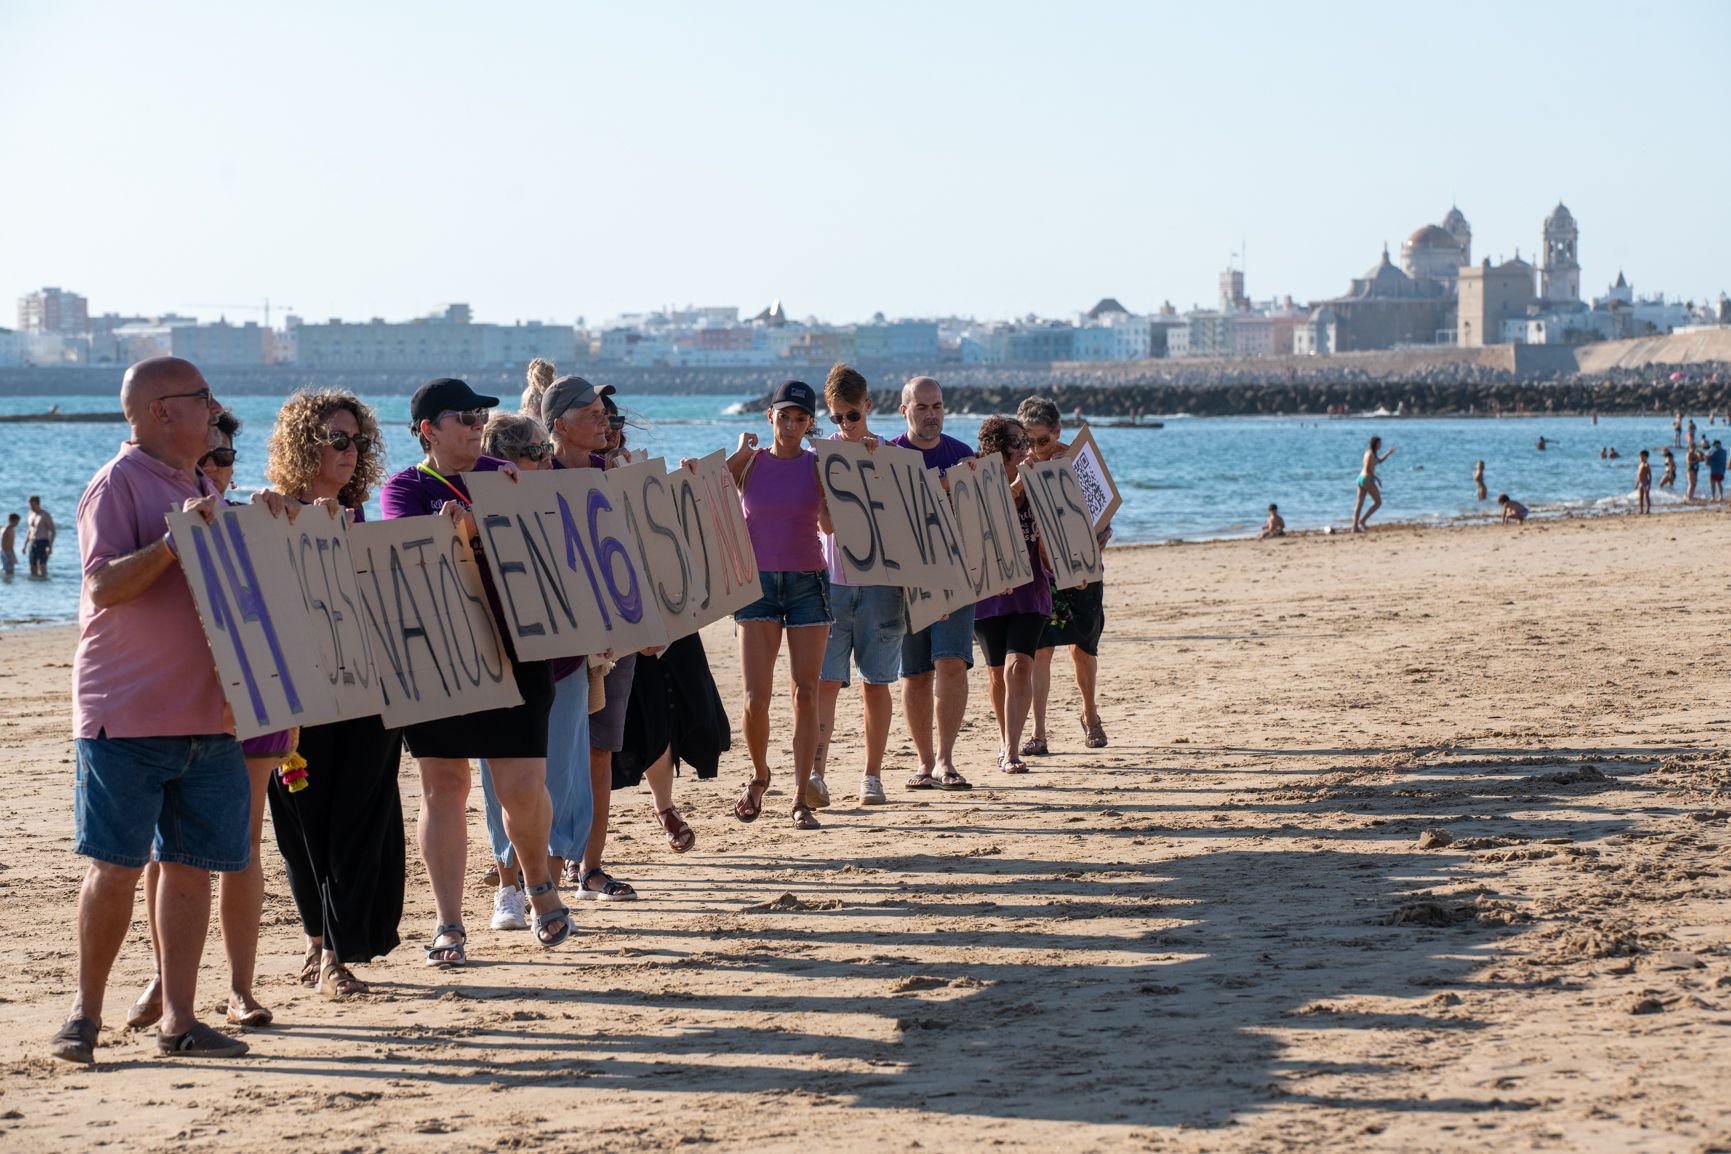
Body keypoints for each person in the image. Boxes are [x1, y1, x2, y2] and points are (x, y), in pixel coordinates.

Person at [53, 356, 251, 1063]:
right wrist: (171, 543)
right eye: (203, 397)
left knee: (191, 868)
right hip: (127, 712)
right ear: (161, 411)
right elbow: (102, 585)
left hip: (209, 716)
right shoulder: (117, 482)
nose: (216, 408)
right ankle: (84, 1017)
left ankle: (179, 1020)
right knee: (116, 867)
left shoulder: (199, 482)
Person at [381, 378, 570, 964]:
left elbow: (554, 539)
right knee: (443, 787)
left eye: (480, 415)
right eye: (463, 417)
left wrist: (505, 507)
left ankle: (537, 884)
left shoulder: (507, 476)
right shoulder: (404, 487)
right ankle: (448, 923)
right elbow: (401, 553)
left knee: (522, 788)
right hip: (437, 655)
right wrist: (451, 531)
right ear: (428, 430)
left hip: (516, 646)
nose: (476, 424)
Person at [127, 411, 296, 1031]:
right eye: (204, 458)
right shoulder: (161, 522)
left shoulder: (255, 517)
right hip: (178, 698)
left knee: (242, 845)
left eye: (224, 457)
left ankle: (239, 988)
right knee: (166, 848)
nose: (215, 468)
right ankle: (164, 978)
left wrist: (284, 517)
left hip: (251, 696)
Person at [255, 390, 406, 999]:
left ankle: (339, 954)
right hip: (297, 696)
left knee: (359, 821)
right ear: (303, 445)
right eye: (337, 440)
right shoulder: (267, 512)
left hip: (368, 692)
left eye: (358, 442)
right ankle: (316, 941)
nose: (351, 452)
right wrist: (279, 520)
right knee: (302, 825)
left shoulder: (360, 516)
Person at [474, 402, 594, 925]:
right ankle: (507, 887)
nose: (547, 459)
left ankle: (546, 888)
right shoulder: (477, 511)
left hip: (563, 659)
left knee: (560, 778)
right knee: (499, 781)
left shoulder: (564, 499)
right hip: (497, 663)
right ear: (503, 460)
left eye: (547, 450)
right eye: (536, 452)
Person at [543, 375, 639, 900]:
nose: (607, 422)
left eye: (606, 414)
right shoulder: (533, 478)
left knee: (599, 750)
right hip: (557, 640)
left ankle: (591, 867)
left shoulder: (613, 475)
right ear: (560, 425)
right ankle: (540, 872)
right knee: (552, 756)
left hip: (612, 636)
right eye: (594, 415)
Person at [730, 379, 833, 830]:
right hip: (757, 585)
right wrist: (737, 452)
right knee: (755, 698)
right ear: (770, 416)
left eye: (800, 419)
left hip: (809, 583)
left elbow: (833, 526)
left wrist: (856, 466)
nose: (790, 426)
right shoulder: (750, 463)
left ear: (810, 424)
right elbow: (704, 493)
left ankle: (799, 797)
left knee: (805, 693)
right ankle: (759, 775)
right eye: (784, 416)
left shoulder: (819, 465)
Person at [813, 364, 904, 806]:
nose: (846, 424)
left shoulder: (890, 453)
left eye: (852, 415)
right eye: (837, 417)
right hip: (833, 582)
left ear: (868, 406)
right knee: (825, 683)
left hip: (882, 584)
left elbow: (905, 522)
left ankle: (872, 776)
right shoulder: (821, 455)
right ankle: (816, 773)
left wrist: (876, 468)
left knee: (876, 682)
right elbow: (827, 525)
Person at [892, 377, 978, 788]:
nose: (931, 415)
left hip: (955, 576)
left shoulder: (962, 455)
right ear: (904, 410)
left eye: (937, 406)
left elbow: (981, 524)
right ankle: (924, 762)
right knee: (916, 673)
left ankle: (946, 760)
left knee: (952, 663)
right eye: (922, 407)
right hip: (905, 581)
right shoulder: (889, 455)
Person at [1017, 395, 1109, 755]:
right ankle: (1038, 732)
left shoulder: (1078, 460)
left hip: (1081, 566)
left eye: (1043, 440)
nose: (1036, 448)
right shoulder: (1019, 465)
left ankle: (1090, 715)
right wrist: (1021, 477)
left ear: (1057, 431)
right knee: (1040, 650)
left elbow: (1103, 514)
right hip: (1040, 570)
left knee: (1082, 649)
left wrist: (1099, 540)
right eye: (1027, 440)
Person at [972, 416, 1052, 775]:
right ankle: (1005, 737)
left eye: (1026, 442)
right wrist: (1018, 485)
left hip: (1031, 591)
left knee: (1019, 666)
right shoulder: (979, 485)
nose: (1025, 449)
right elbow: (981, 525)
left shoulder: (1040, 483)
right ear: (997, 450)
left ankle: (1011, 749)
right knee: (996, 674)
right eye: (1017, 443)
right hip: (989, 594)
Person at [1352, 436, 1395, 532]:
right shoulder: (1370, 454)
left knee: (1359, 504)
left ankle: (1355, 527)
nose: (1381, 445)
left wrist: (1388, 453)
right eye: (1379, 443)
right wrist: (1376, 478)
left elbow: (1379, 461)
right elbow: (1367, 469)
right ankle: (1362, 521)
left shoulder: (1370, 453)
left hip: (1360, 479)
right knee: (1378, 502)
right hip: (1366, 479)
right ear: (1375, 444)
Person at [26, 493, 56, 578]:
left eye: (32, 504)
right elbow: (30, 530)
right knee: (32, 565)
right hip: (33, 542)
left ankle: (44, 582)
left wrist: (50, 546)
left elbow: (53, 531)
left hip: (43, 542)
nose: (31, 506)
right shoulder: (30, 514)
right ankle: (35, 584)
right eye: (29, 504)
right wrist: (25, 544)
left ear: (37, 503)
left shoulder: (45, 515)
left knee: (42, 564)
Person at [1636, 450, 1652, 515]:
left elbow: (1649, 475)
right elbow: (1638, 475)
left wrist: (1649, 484)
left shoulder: (1646, 465)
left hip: (1645, 483)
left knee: (1647, 496)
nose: (1640, 458)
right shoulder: (1640, 464)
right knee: (1640, 497)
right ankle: (1641, 510)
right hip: (1640, 483)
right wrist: (1637, 483)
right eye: (1640, 457)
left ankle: (1648, 510)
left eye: (1642, 457)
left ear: (1646, 457)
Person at [2, 511, 18, 577]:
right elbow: (3, 544)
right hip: (6, 552)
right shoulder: (7, 530)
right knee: (9, 572)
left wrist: (14, 555)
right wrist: (8, 556)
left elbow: (11, 545)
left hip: (9, 552)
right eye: (16, 522)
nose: (17, 524)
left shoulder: (11, 529)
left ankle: (9, 583)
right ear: (11, 520)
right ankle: (7, 583)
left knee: (10, 572)